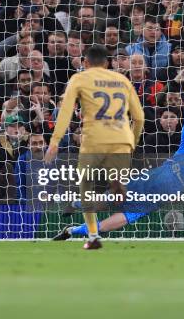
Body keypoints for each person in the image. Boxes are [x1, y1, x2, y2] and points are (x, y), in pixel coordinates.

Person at [54, 84, 184, 242]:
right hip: (140, 184)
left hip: (149, 204)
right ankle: (75, 203)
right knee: (95, 205)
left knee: (102, 228)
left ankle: (71, 231)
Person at [44, 44, 145, 250]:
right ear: (107, 63)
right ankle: (116, 181)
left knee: (86, 187)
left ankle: (92, 237)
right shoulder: (123, 80)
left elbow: (66, 112)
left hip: (94, 139)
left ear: (86, 63)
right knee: (115, 181)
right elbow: (139, 117)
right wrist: (132, 143)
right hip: (122, 139)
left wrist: (55, 141)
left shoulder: (79, 79)